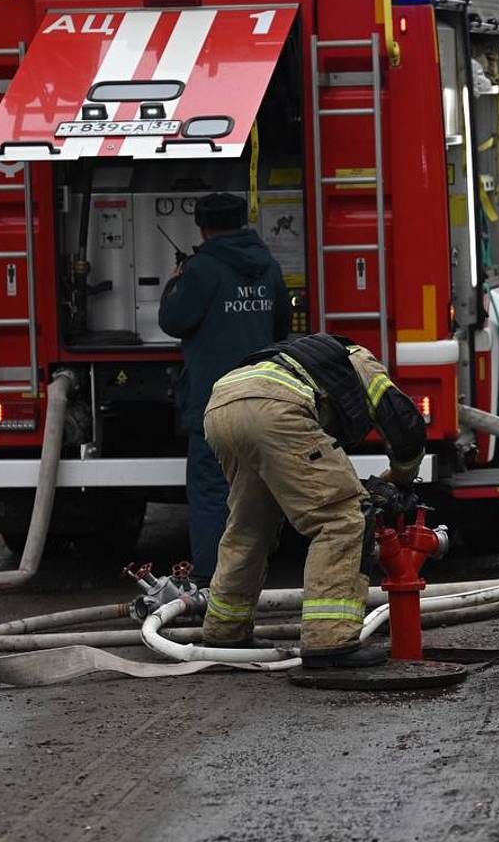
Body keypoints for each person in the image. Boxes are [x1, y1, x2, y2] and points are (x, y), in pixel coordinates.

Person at [200, 332, 426, 668]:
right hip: (278, 410)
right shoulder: (361, 360)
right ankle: (329, 640)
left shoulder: (300, 359)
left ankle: (225, 632)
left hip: (221, 406)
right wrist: (403, 479)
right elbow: (403, 422)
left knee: (250, 525)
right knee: (343, 519)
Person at [158, 192, 290, 588]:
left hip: (215, 400)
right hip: (264, 393)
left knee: (212, 490)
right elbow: (280, 325)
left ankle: (212, 579)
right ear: (242, 222)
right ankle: (256, 570)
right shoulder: (268, 266)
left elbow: (173, 320)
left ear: (203, 227)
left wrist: (175, 283)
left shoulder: (201, 270)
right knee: (259, 489)